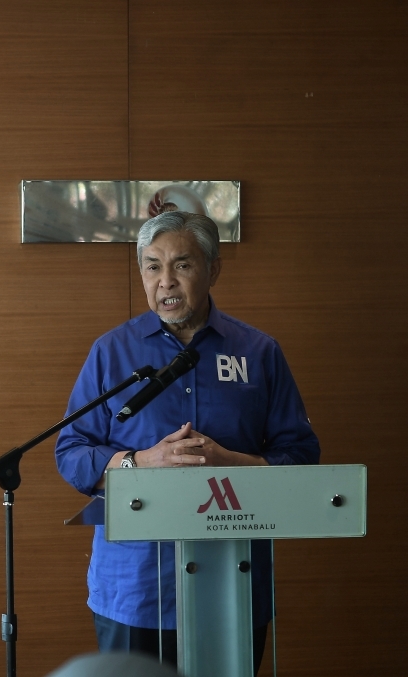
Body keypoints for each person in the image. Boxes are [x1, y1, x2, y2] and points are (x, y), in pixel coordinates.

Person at [54, 211, 320, 670]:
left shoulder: (258, 352)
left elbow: (300, 454)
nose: (166, 282)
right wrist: (140, 462)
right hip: (136, 585)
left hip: (234, 579)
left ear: (213, 269)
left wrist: (232, 463)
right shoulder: (111, 352)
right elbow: (72, 453)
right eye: (152, 266)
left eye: (182, 265)